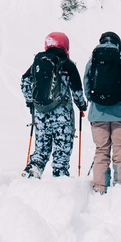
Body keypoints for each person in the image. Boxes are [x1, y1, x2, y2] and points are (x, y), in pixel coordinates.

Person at [21, 31, 87, 178]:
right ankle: (60, 179)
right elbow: (77, 91)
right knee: (61, 152)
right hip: (62, 116)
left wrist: (31, 102)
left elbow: (24, 82)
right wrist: (82, 105)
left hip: (41, 114)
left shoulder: (38, 62)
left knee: (41, 149)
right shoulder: (68, 65)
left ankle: (32, 173)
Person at [83, 31, 121, 193]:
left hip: (98, 114)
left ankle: (100, 187)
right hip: (120, 113)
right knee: (120, 150)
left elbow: (87, 87)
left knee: (101, 151)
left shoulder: (92, 62)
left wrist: (95, 104)